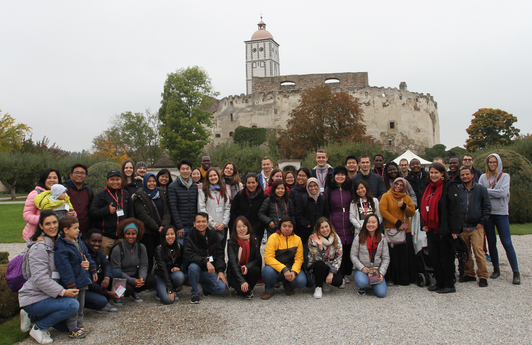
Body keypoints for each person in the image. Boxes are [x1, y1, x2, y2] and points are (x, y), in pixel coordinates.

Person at [19, 210, 80, 345]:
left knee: (66, 327)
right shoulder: (39, 248)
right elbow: (40, 279)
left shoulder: (57, 242)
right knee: (72, 305)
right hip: (34, 297)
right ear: (41, 226)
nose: (52, 226)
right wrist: (63, 292)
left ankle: (31, 315)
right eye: (47, 224)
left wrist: (84, 263)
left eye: (54, 222)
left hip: (48, 295)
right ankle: (38, 328)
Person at [479, 153, 520, 284]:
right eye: (490, 162)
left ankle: (516, 271)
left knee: (507, 242)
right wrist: (490, 192)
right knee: (491, 242)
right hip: (488, 213)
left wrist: (486, 191)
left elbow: (503, 193)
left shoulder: (505, 176)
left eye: (494, 162)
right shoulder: (483, 177)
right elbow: (480, 192)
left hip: (501, 213)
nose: (492, 164)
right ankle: (496, 268)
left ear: (498, 163)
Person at [421, 162, 462, 293]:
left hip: (444, 228)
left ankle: (449, 284)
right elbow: (424, 208)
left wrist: (455, 230)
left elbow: (455, 210)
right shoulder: (429, 188)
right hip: (432, 229)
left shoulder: (449, 187)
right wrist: (424, 224)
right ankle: (439, 282)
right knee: (434, 256)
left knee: (446, 257)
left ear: (442, 173)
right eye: (431, 172)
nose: (433, 175)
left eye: (436, 173)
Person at [54, 215, 97, 338]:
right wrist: (70, 284)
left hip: (82, 279)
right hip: (73, 283)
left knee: (81, 305)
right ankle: (72, 328)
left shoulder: (79, 241)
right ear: (66, 230)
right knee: (74, 306)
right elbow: (65, 268)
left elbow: (87, 256)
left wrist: (93, 269)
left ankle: (79, 324)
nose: (78, 230)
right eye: (75, 228)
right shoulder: (62, 247)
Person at [458, 167, 491, 287]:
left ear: (472, 175)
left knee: (479, 252)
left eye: (467, 174)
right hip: (463, 227)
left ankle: (483, 276)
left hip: (476, 226)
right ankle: (470, 274)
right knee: (465, 252)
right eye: (462, 175)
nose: (465, 176)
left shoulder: (481, 189)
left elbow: (487, 207)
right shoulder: (458, 189)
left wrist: (482, 222)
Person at [184, 213, 227, 304]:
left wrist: (220, 271)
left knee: (222, 288)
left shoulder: (214, 235)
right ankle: (195, 292)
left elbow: (220, 254)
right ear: (194, 224)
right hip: (198, 270)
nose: (201, 224)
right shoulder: (189, 238)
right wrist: (205, 262)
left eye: (203, 221)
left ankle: (205, 286)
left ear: (207, 223)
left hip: (210, 271)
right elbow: (189, 255)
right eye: (198, 222)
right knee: (193, 267)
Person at [380, 177, 416, 286]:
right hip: (391, 229)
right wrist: (397, 222)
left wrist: (404, 206)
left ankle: (404, 278)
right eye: (396, 184)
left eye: (401, 185)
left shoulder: (406, 198)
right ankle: (391, 278)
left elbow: (412, 213)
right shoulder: (386, 196)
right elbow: (383, 211)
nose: (398, 187)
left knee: (404, 256)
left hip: (405, 231)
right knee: (392, 256)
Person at [110, 218, 156, 303]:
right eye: (128, 234)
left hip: (135, 274)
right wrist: (132, 281)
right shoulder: (117, 249)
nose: (130, 236)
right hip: (122, 276)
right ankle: (117, 294)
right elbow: (116, 270)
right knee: (128, 289)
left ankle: (135, 292)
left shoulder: (141, 247)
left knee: (151, 280)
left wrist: (141, 278)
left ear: (137, 234)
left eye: (133, 234)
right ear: (124, 234)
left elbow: (144, 264)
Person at [134, 172, 172, 272]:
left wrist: (163, 225)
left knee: (162, 255)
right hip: (148, 232)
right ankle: (148, 278)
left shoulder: (161, 193)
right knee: (148, 256)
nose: (152, 183)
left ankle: (162, 275)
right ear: (145, 182)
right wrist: (156, 227)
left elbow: (167, 211)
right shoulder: (139, 195)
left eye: (153, 181)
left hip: (161, 231)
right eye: (149, 181)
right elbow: (142, 215)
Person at [262, 217, 307, 299]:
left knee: (301, 281)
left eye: (290, 226)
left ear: (293, 228)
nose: (287, 228)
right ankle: (269, 290)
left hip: (290, 268)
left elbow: (299, 259)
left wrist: (294, 272)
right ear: (280, 227)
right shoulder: (273, 237)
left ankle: (288, 286)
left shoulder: (297, 239)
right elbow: (268, 258)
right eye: (284, 226)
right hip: (275, 269)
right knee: (267, 272)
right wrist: (283, 269)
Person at [89, 170, 131, 256]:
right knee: (104, 263)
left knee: (122, 262)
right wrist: (107, 210)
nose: (115, 182)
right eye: (112, 179)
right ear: (107, 181)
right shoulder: (101, 195)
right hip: (106, 237)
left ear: (121, 180)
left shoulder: (126, 195)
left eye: (117, 179)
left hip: (122, 237)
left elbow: (131, 214)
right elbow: (92, 213)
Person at [325, 166, 353, 286]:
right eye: (338, 175)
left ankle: (346, 273)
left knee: (348, 248)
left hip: (348, 220)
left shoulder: (351, 189)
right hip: (334, 222)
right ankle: (338, 273)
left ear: (346, 176)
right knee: (337, 249)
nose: (340, 177)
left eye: (342, 175)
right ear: (334, 176)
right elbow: (326, 208)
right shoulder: (328, 190)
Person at [350, 214, 390, 297]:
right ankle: (362, 286)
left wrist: (381, 273)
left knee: (381, 293)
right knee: (361, 282)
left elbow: (386, 258)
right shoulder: (359, 237)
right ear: (365, 224)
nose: (371, 224)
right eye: (368, 222)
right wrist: (362, 268)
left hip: (376, 270)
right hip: (363, 268)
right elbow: (353, 255)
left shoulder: (382, 238)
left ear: (377, 224)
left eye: (373, 222)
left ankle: (373, 282)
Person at [23, 168, 66, 241]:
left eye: (55, 178)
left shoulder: (63, 194)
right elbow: (26, 214)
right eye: (49, 178)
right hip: (38, 235)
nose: (52, 180)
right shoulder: (35, 194)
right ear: (44, 179)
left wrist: (72, 214)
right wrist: (44, 220)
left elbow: (68, 209)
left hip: (58, 234)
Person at [295, 177, 330, 268]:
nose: (313, 188)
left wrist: (322, 226)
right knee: (307, 254)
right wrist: (307, 224)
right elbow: (298, 215)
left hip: (321, 233)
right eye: (310, 186)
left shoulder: (322, 199)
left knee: (320, 253)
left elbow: (326, 214)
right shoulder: (303, 199)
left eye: (315, 185)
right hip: (307, 233)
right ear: (307, 187)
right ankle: (307, 274)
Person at [84, 229, 119, 313]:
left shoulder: (97, 252)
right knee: (101, 301)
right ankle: (101, 303)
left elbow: (106, 264)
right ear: (86, 241)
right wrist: (106, 292)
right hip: (85, 287)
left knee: (116, 272)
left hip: (94, 281)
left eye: (99, 241)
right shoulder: (83, 254)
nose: (97, 244)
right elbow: (88, 281)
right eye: (94, 241)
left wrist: (107, 278)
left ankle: (113, 297)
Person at [307, 217, 344, 299]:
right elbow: (315, 259)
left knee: (338, 281)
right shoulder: (313, 238)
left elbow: (339, 256)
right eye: (322, 227)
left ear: (330, 227)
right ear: (318, 229)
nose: (325, 230)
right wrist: (320, 247)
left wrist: (331, 273)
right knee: (320, 265)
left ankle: (326, 281)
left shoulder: (335, 237)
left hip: (330, 264)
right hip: (316, 265)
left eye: (326, 226)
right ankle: (318, 287)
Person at [227, 216, 262, 299]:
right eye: (238, 227)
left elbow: (258, 259)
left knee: (256, 270)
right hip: (235, 272)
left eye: (244, 226)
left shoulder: (254, 240)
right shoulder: (231, 242)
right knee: (244, 292)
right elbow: (233, 263)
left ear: (248, 227)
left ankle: (249, 287)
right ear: (235, 229)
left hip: (248, 269)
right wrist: (242, 281)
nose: (241, 229)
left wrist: (247, 266)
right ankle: (243, 287)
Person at [230, 173, 266, 250]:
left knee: (254, 252)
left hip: (257, 229)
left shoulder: (263, 196)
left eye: (253, 182)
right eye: (248, 183)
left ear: (257, 183)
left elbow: (265, 213)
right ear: (245, 183)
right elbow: (233, 211)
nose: (251, 185)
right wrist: (237, 225)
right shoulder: (240, 195)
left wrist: (259, 225)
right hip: (242, 229)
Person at [168, 159, 198, 245]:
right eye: (183, 169)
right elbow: (173, 207)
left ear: (191, 170)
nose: (185, 171)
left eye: (187, 169)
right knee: (180, 251)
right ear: (179, 171)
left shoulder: (194, 186)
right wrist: (179, 226)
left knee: (192, 251)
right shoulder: (173, 186)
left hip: (193, 225)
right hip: (181, 227)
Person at [198, 168, 231, 245]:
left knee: (221, 250)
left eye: (215, 175)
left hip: (222, 227)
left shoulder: (223, 190)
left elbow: (227, 207)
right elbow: (202, 209)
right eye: (210, 176)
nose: (213, 177)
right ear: (207, 178)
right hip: (209, 227)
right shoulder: (203, 191)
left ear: (218, 176)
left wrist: (223, 223)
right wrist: (212, 224)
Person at [154, 226, 185, 305]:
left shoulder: (179, 246)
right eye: (167, 234)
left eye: (172, 234)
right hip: (161, 275)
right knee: (167, 301)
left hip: (172, 274)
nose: (170, 236)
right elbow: (163, 269)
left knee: (180, 276)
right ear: (164, 236)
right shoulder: (159, 249)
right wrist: (170, 289)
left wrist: (177, 266)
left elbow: (180, 260)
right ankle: (162, 291)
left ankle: (172, 288)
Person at [63, 163, 94, 236]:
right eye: (76, 173)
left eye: (82, 173)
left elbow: (92, 211)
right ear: (71, 175)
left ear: (85, 176)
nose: (79, 175)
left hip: (84, 232)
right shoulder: (64, 190)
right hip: (67, 232)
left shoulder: (88, 191)